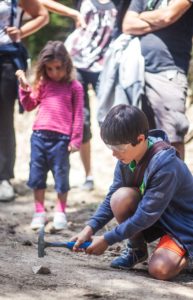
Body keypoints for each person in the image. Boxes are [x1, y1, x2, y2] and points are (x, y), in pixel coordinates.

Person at [71, 104, 193, 281]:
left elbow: (145, 215)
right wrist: (89, 229)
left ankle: (186, 252)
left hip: (183, 224)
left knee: (160, 270)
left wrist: (107, 239)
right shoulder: (126, 157)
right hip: (160, 217)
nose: (114, 154)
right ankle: (137, 251)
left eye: (118, 147)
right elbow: (111, 198)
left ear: (141, 138)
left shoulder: (166, 165)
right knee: (119, 197)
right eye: (110, 146)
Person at [16, 41, 83, 230]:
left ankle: (60, 212)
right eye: (50, 69)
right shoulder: (43, 83)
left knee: (61, 176)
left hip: (61, 140)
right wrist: (24, 88)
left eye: (58, 68)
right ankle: (39, 212)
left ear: (66, 65)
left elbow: (78, 114)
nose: (54, 73)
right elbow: (29, 105)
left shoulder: (74, 87)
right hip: (39, 137)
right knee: (37, 175)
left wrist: (76, 138)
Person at [121, 0, 193, 160]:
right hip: (137, 72)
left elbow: (167, 16)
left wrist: (143, 16)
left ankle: (175, 183)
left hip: (169, 72)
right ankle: (149, 183)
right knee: (139, 137)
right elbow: (127, 25)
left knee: (172, 136)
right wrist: (158, 21)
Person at [65, 0, 117, 191]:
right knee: (82, 121)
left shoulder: (119, 3)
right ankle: (88, 176)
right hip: (77, 63)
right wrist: (73, 14)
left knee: (112, 119)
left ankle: (121, 173)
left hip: (104, 66)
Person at [0, 0, 49, 202]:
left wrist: (20, 31)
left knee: (3, 122)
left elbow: (43, 14)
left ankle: (3, 178)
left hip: (6, 62)